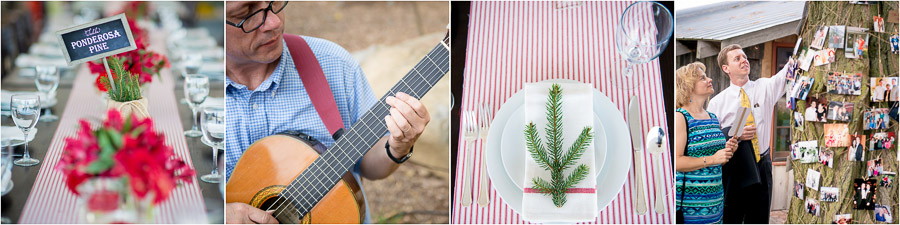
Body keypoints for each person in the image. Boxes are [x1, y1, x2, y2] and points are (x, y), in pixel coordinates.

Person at [223, 2, 431, 223]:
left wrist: (397, 147)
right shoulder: (193, 96)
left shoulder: (333, 65)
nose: (274, 22)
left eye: (274, 3)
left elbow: (369, 164)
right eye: (246, 14)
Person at [707, 44, 794, 224]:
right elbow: (712, 140)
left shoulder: (764, 87)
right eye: (737, 58)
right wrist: (734, 134)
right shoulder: (717, 103)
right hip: (735, 166)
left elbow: (786, 74)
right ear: (726, 68)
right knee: (733, 217)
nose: (744, 60)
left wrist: (799, 54)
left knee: (759, 219)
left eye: (744, 57)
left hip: (762, 163)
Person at [675, 62, 739, 224]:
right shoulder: (681, 117)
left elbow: (717, 162)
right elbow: (676, 161)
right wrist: (712, 159)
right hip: (690, 206)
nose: (709, 79)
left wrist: (727, 151)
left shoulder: (713, 118)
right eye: (702, 78)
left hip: (715, 201)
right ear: (688, 86)